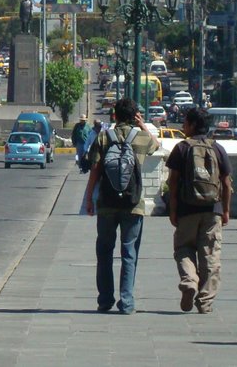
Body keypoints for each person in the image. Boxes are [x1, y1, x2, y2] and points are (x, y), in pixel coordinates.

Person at [84, 97, 160, 315]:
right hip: (133, 203)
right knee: (129, 252)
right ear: (135, 115)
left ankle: (105, 299)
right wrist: (143, 125)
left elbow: (95, 170)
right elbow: (156, 146)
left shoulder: (103, 137)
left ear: (114, 115)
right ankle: (126, 302)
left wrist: (89, 199)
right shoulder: (142, 137)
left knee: (104, 251)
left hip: (107, 203)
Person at [166, 107, 232, 314]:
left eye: (185, 122)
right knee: (210, 256)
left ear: (193, 125)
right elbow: (227, 183)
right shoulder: (218, 148)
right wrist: (226, 210)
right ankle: (205, 302)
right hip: (213, 210)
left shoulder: (182, 148)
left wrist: (173, 210)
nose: (183, 126)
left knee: (183, 249)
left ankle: (189, 282)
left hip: (187, 209)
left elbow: (172, 182)